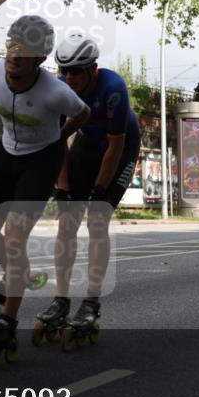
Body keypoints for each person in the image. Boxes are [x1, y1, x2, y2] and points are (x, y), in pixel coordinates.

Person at [0, 15, 90, 364]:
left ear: (40, 59)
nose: (14, 56)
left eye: (24, 52)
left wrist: (62, 136)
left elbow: (83, 113)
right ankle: (18, 274)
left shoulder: (56, 92)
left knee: (14, 237)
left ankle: (7, 321)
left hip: (42, 161)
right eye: (11, 46)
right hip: (7, 154)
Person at [34, 31, 140, 349]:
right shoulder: (59, 89)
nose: (68, 78)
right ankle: (61, 300)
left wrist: (99, 190)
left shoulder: (113, 89)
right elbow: (58, 142)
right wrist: (64, 189)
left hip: (118, 150)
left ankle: (91, 302)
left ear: (93, 68)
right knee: (67, 222)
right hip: (83, 146)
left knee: (97, 221)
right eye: (63, 71)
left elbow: (115, 148)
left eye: (75, 72)